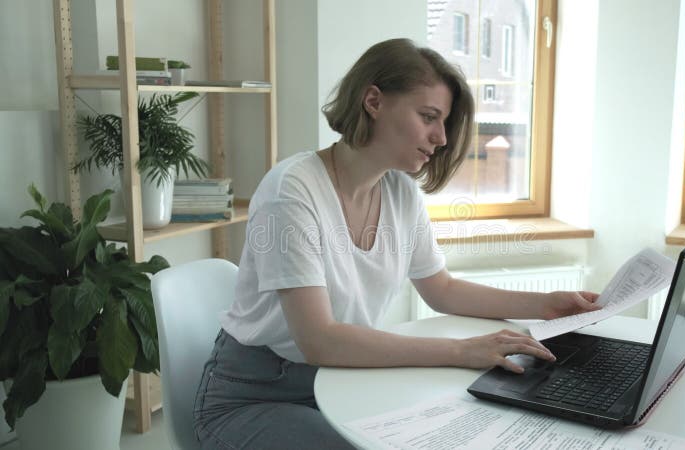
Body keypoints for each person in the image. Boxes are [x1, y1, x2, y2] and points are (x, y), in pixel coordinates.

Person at [193, 38, 601, 450]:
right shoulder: (293, 191)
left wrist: (545, 305)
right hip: (253, 395)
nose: (440, 137)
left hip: (341, 382)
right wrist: (461, 351)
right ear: (374, 100)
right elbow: (320, 339)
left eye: (443, 123)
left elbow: (441, 290)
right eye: (429, 116)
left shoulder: (400, 193)